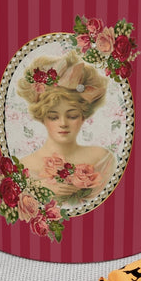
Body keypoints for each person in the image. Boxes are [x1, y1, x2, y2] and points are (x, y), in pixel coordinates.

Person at [16, 51, 116, 206]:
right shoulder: (25, 167)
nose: (63, 123)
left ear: (83, 116)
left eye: (72, 116)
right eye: (53, 117)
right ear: (42, 117)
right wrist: (39, 187)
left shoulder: (104, 159)